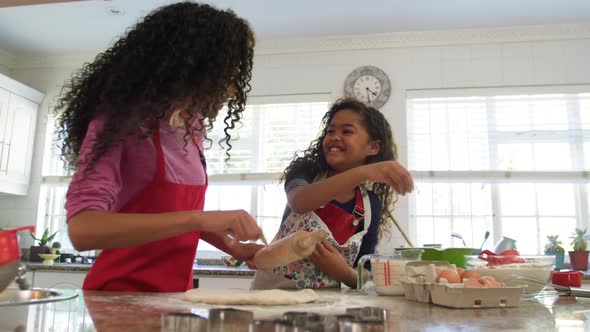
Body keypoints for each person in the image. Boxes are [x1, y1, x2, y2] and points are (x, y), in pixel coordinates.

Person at [55, 2, 264, 292]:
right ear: (188, 67)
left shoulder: (191, 129)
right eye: (224, 73)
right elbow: (83, 230)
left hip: (175, 299)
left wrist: (230, 245)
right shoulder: (120, 123)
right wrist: (200, 218)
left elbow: (171, 217)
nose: (229, 88)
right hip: (119, 296)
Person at [251, 98, 414, 289]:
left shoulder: (370, 204)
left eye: (347, 131)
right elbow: (299, 202)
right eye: (330, 131)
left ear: (373, 147)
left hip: (326, 307)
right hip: (272, 298)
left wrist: (342, 272)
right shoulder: (306, 171)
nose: (335, 136)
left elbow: (364, 272)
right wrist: (363, 172)